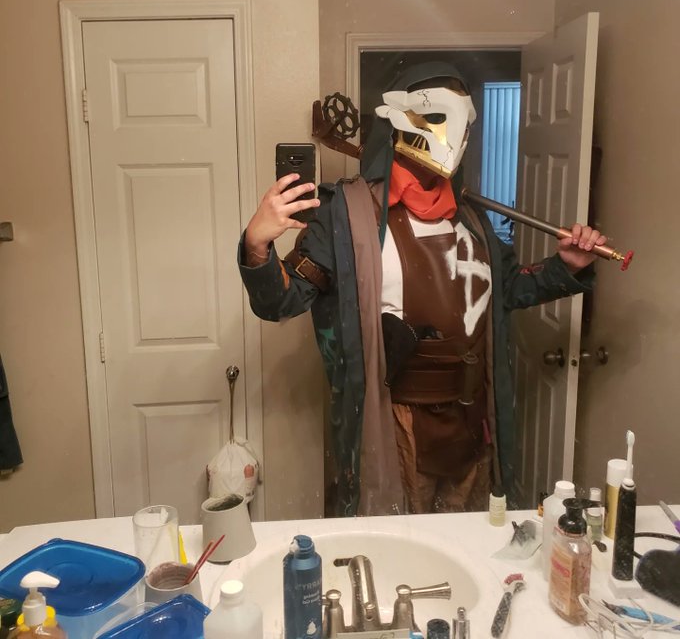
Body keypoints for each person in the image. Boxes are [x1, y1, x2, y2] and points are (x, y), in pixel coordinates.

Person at [239, 62, 605, 518]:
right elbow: (281, 302)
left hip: (472, 419)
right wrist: (257, 246)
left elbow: (508, 291)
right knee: (395, 543)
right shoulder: (346, 216)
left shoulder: (472, 220)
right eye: (436, 118)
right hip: (394, 422)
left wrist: (564, 267)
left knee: (468, 539)